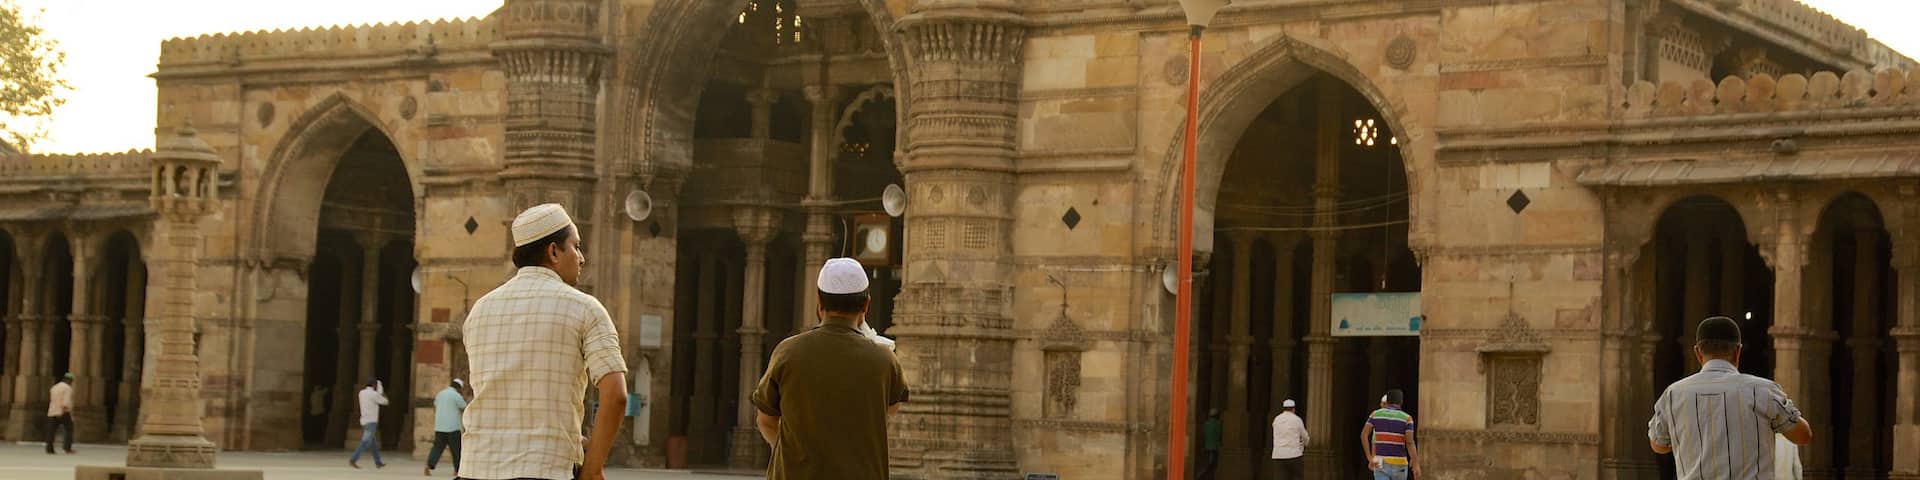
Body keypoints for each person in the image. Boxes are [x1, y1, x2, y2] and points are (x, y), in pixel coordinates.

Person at [460, 204, 628, 480]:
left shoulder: (480, 309)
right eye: (575, 246)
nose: (581, 257)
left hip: (475, 468)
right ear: (553, 251)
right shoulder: (585, 308)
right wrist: (593, 468)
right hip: (546, 469)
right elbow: (615, 395)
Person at [751, 257, 909, 479]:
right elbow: (890, 409)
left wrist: (794, 453)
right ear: (866, 305)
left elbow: (765, 420)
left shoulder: (788, 352)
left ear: (819, 303)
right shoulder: (884, 359)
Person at [1649, 316, 1813, 479]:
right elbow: (1803, 435)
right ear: (1738, 351)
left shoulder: (1673, 395)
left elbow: (1658, 445)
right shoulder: (1763, 391)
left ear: (1698, 353)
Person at [1362, 389, 1418, 480]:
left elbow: (1364, 435)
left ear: (1387, 401)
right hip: (1400, 463)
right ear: (1401, 402)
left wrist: (1369, 458)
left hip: (1380, 461)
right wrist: (1415, 464)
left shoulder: (1375, 415)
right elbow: (1410, 443)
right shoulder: (1407, 418)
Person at [427, 378, 469, 476]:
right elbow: (464, 406)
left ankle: (428, 466)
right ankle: (457, 470)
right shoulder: (456, 395)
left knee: (437, 448)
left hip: (440, 427)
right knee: (456, 450)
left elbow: (435, 406)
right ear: (459, 388)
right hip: (453, 427)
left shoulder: (440, 394)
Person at [350, 378, 388, 469]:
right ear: (374, 385)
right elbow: (385, 401)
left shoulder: (361, 393)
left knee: (372, 443)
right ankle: (353, 459)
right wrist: (381, 390)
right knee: (365, 441)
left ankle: (378, 462)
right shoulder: (374, 394)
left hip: (364, 420)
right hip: (371, 421)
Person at [1271, 399, 1308, 480]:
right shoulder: (1297, 419)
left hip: (1278, 455)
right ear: (1293, 409)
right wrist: (1304, 445)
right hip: (1294, 455)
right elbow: (1305, 436)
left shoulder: (1277, 419)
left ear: (1283, 408)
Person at [46, 372, 75, 454]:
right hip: (63, 411)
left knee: (51, 431)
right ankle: (67, 448)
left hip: (52, 411)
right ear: (69, 380)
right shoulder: (67, 388)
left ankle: (49, 448)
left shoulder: (54, 387)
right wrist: (63, 411)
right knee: (69, 429)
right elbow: (66, 401)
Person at [1199, 408, 1222, 479]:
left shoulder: (1206, 423)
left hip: (1207, 447)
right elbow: (1219, 435)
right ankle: (1205, 476)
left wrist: (1203, 446)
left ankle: (1204, 476)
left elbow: (1203, 436)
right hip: (1214, 448)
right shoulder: (1218, 423)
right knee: (1212, 465)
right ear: (1216, 415)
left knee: (1207, 464)